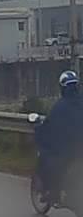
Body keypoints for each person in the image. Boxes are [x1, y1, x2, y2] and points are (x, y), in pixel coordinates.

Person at [35, 70, 83, 202]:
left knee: (48, 159)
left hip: (68, 150)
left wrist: (39, 129)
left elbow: (49, 126)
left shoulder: (60, 107)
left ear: (62, 87)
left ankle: (54, 193)